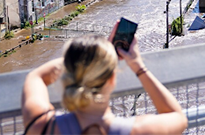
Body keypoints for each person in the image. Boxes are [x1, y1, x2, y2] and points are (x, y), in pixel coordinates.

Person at [21, 21, 188, 135]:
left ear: (67, 75)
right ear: (112, 80)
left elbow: (36, 77)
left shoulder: (43, 127)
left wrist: (85, 57)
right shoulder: (138, 130)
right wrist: (137, 65)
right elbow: (177, 116)